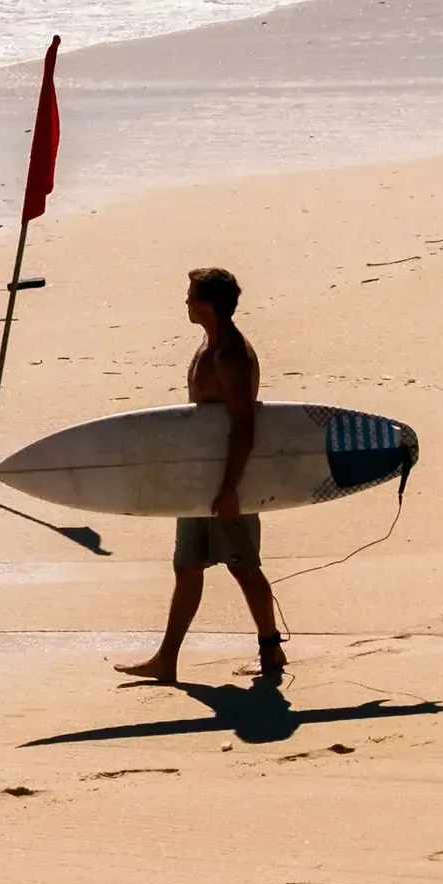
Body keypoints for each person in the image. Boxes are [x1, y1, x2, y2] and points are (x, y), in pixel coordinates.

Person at [116, 268, 285, 684]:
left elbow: (245, 426)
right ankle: (166, 659)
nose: (186, 302)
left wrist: (229, 489)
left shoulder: (231, 355)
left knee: (243, 566)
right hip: (197, 480)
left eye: (191, 296)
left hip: (227, 481)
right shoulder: (208, 344)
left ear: (207, 303)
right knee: (187, 566)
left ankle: (271, 648)